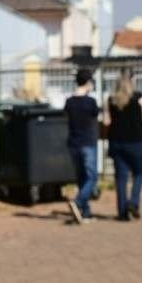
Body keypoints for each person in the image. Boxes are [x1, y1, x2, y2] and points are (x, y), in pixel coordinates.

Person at [104, 74, 142, 221]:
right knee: (139, 174)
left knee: (121, 178)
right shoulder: (141, 100)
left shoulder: (111, 100)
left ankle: (122, 212)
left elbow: (106, 122)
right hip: (137, 143)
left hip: (117, 143)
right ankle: (134, 202)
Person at [63, 69, 99, 224]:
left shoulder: (69, 102)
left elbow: (66, 116)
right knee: (91, 177)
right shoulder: (90, 102)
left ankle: (85, 212)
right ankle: (78, 202)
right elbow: (95, 116)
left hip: (73, 143)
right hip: (87, 143)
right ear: (88, 82)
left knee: (81, 177)